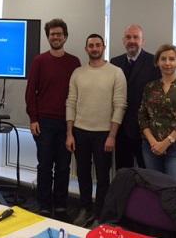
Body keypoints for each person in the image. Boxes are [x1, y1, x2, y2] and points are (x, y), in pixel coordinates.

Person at [66, 34, 127, 226]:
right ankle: (85, 209)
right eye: (91, 45)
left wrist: (112, 135)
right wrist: (69, 133)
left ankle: (100, 215)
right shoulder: (78, 72)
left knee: (102, 177)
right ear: (86, 49)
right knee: (82, 174)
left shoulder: (116, 72)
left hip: (104, 134)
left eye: (98, 45)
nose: (94, 48)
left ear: (103, 47)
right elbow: (71, 102)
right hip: (80, 131)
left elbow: (120, 105)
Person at [25, 18, 81, 219]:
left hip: (67, 123)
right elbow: (31, 91)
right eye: (52, 34)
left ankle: (61, 205)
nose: (56, 37)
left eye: (59, 34)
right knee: (45, 166)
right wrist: (33, 119)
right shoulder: (39, 60)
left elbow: (77, 94)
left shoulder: (74, 62)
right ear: (48, 37)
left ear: (65, 36)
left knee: (64, 167)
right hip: (44, 123)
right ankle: (44, 205)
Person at [138, 44, 176, 187]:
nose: (167, 63)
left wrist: (165, 143)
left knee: (174, 191)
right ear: (157, 62)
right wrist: (153, 142)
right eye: (163, 59)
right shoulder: (150, 87)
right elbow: (142, 116)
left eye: (172, 59)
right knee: (155, 189)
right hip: (151, 147)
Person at [111, 24, 161, 169]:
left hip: (145, 132)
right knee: (123, 174)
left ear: (142, 41)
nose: (132, 40)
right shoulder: (115, 62)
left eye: (136, 37)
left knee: (147, 175)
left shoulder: (155, 63)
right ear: (123, 41)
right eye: (128, 37)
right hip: (121, 130)